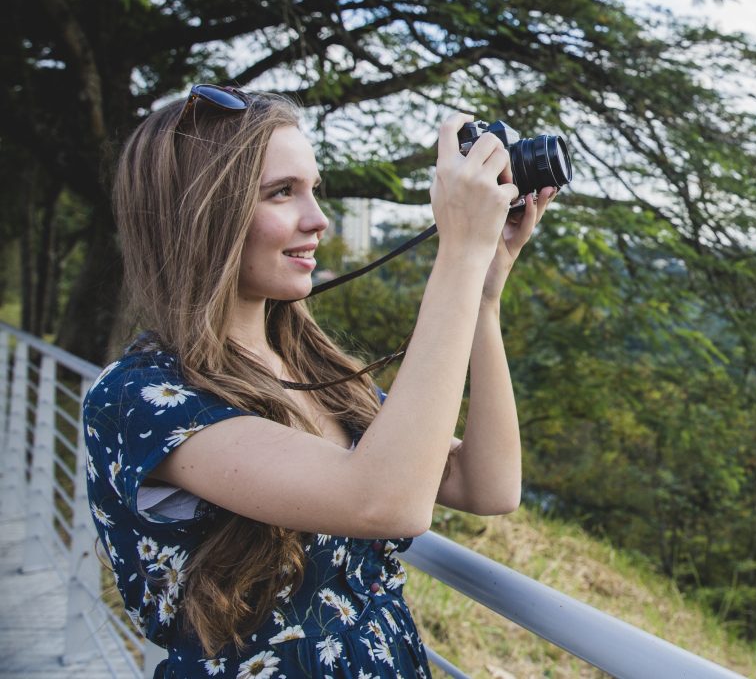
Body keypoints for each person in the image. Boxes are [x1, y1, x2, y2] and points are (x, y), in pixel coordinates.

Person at [83, 84, 555, 678]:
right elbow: (385, 503)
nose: (318, 219)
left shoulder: (314, 370)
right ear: (200, 213)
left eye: (314, 189)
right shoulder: (143, 396)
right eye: (282, 193)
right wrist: (457, 252)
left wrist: (484, 294)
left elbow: (487, 485)